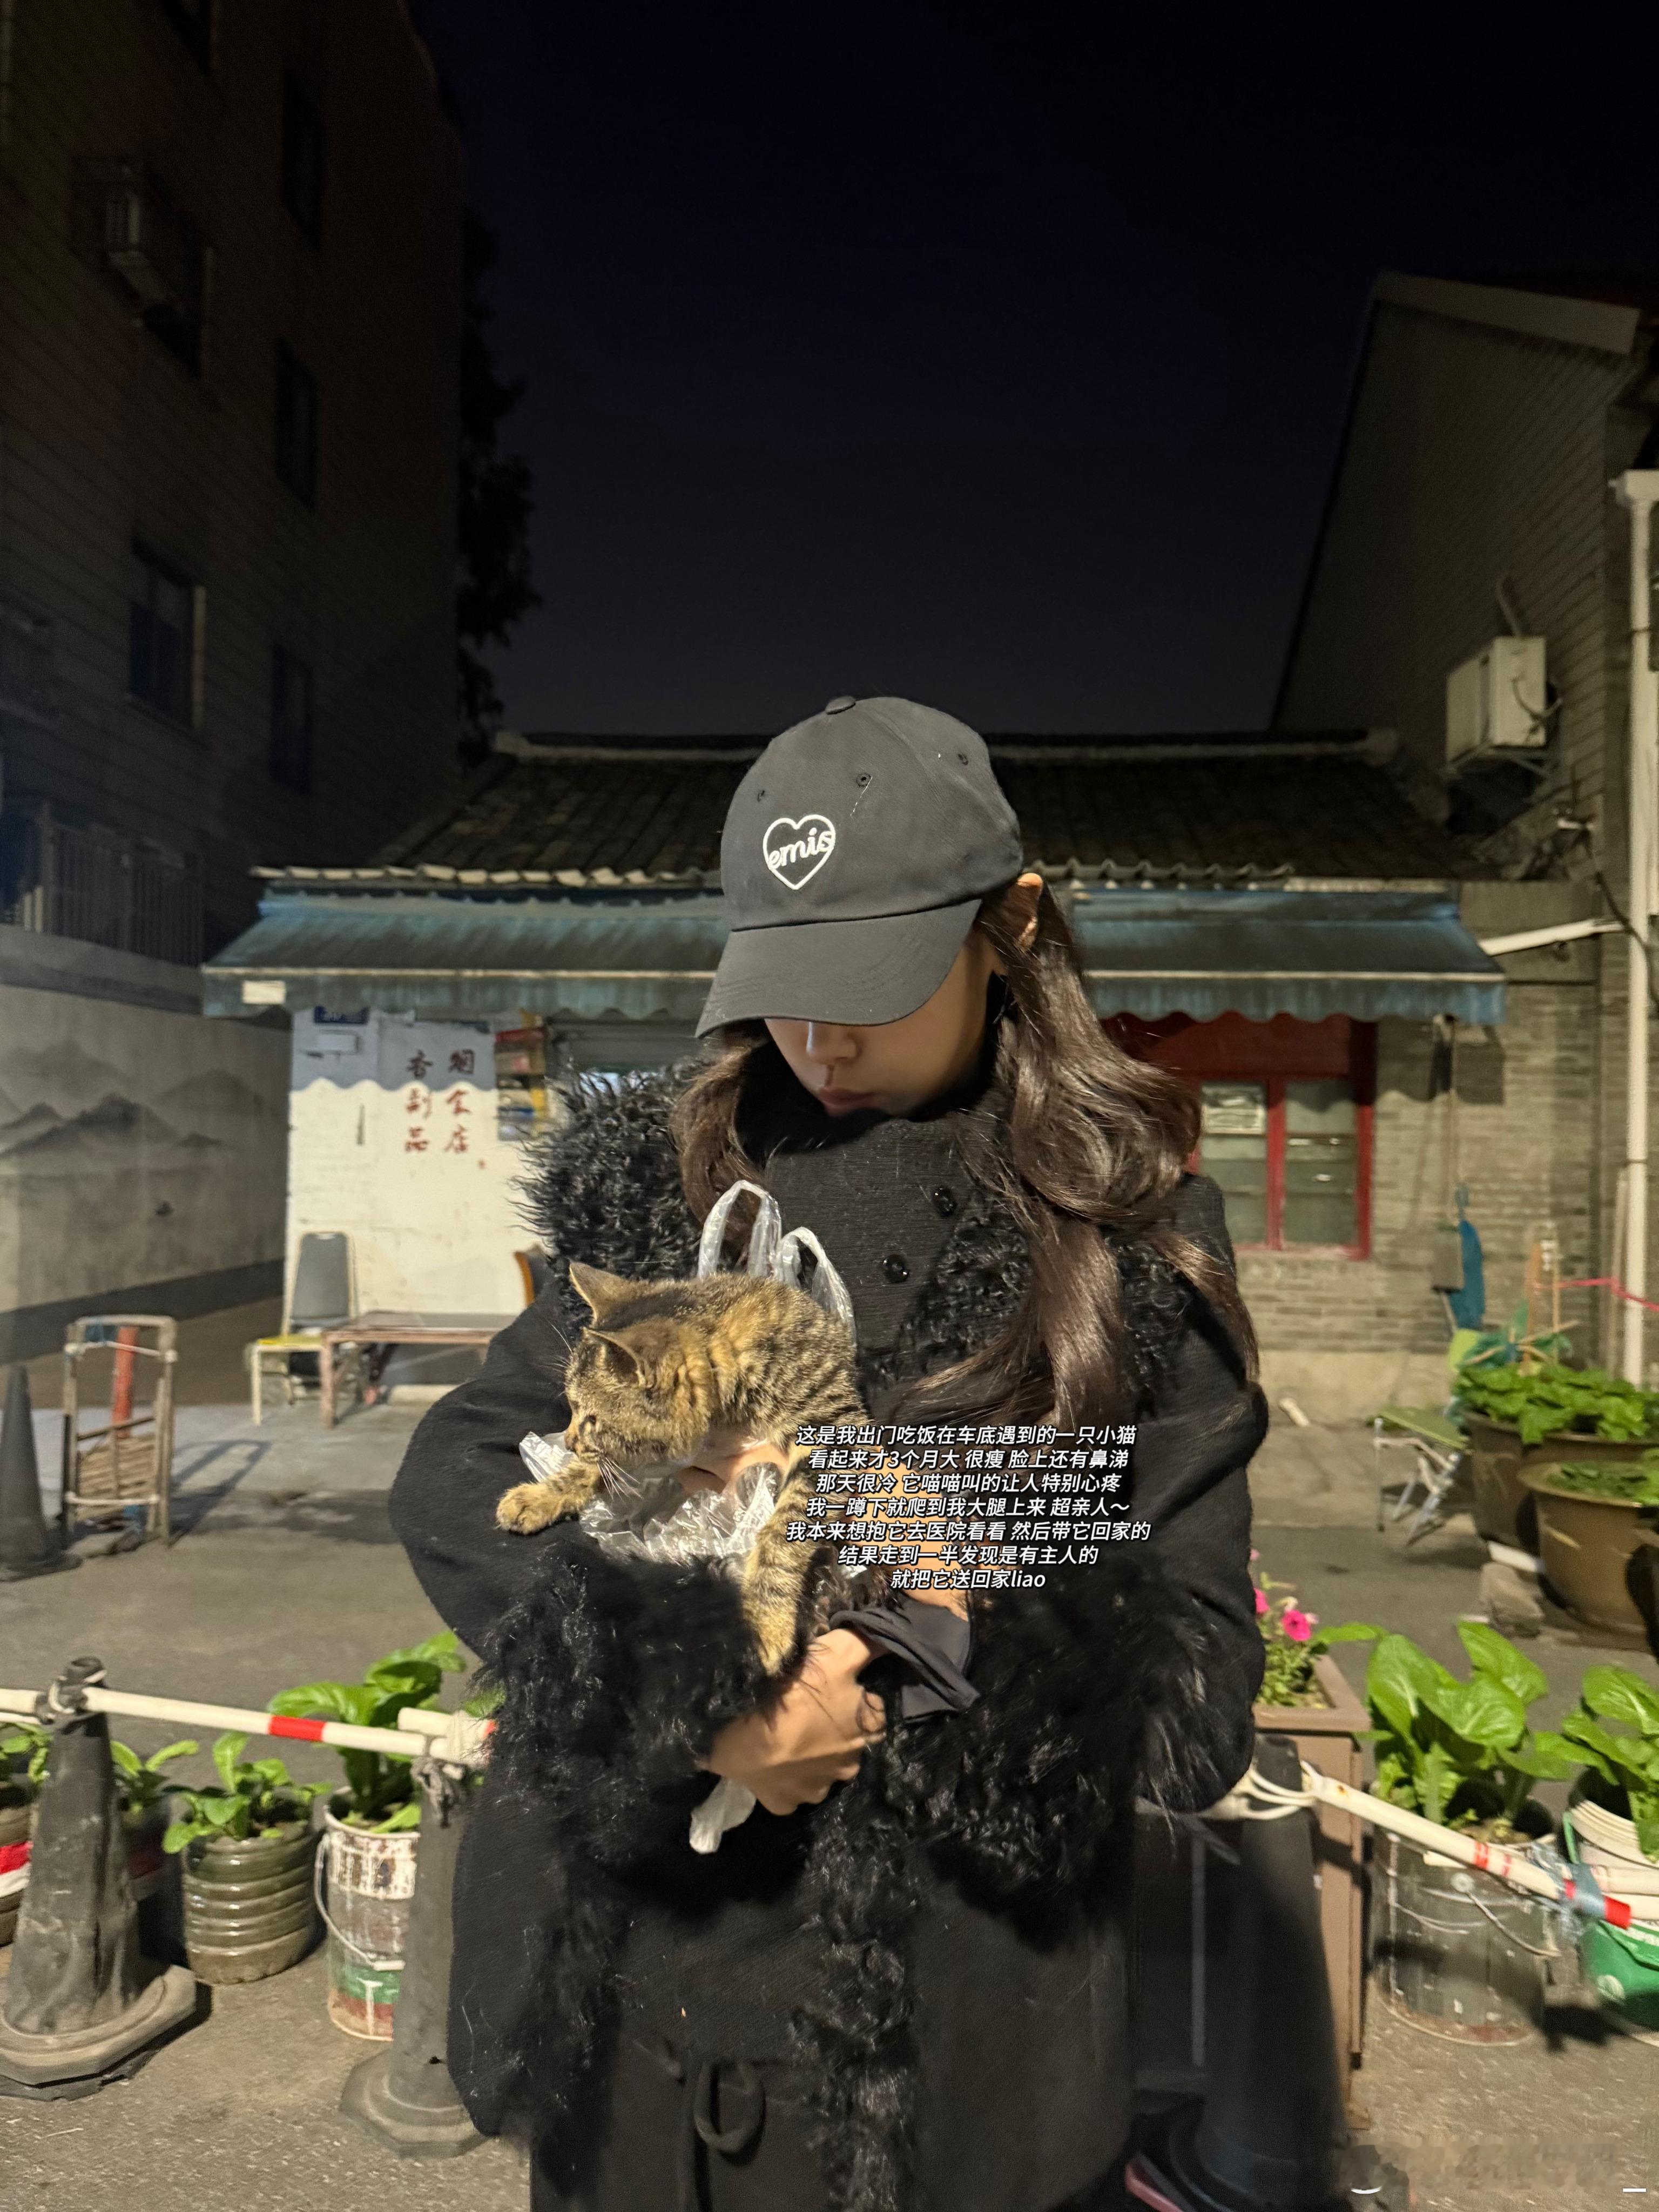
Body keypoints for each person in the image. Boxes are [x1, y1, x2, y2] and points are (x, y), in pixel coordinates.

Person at [388, 694, 1269, 2212]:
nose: (821, 1040)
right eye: (786, 987)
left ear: (1012, 924)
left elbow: (1192, 1689)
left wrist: (877, 1617)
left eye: (871, 983)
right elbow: (463, 1473)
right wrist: (698, 1700)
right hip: (628, 2015)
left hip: (955, 2050)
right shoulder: (668, 1183)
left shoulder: (1130, 1242)